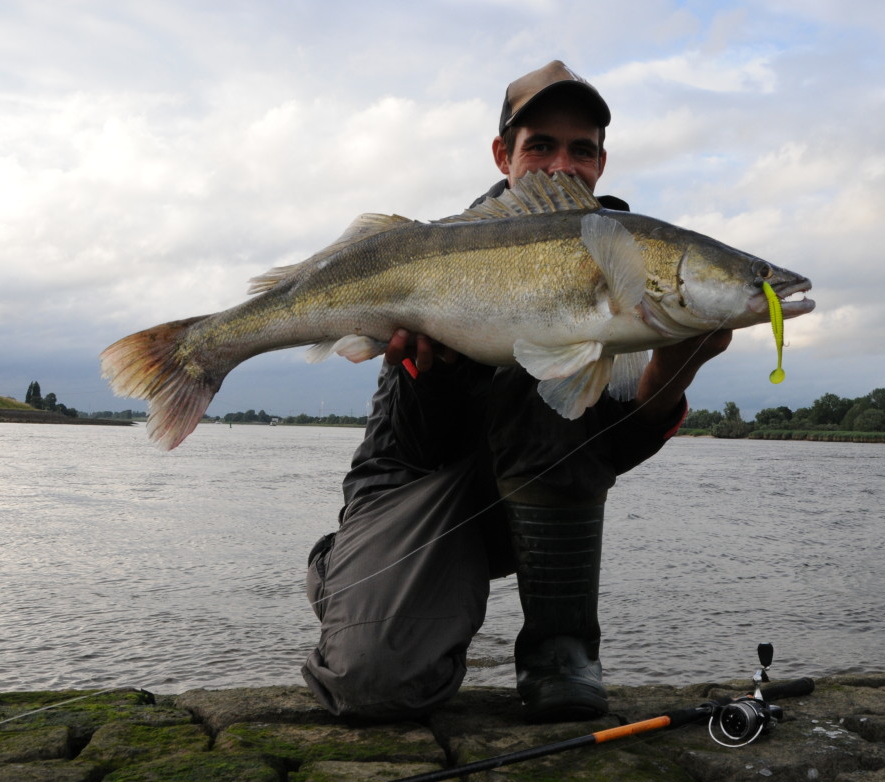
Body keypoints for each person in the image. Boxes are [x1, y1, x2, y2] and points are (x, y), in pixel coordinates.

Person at [302, 60, 731, 723]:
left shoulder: (632, 265)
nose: (561, 165)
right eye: (540, 145)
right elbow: (413, 445)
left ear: (601, 163)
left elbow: (607, 447)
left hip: (538, 505)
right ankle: (349, 570)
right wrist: (430, 370)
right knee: (373, 685)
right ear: (504, 155)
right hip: (418, 487)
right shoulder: (441, 250)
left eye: (581, 149)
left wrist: (680, 364)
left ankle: (561, 651)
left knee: (557, 372)